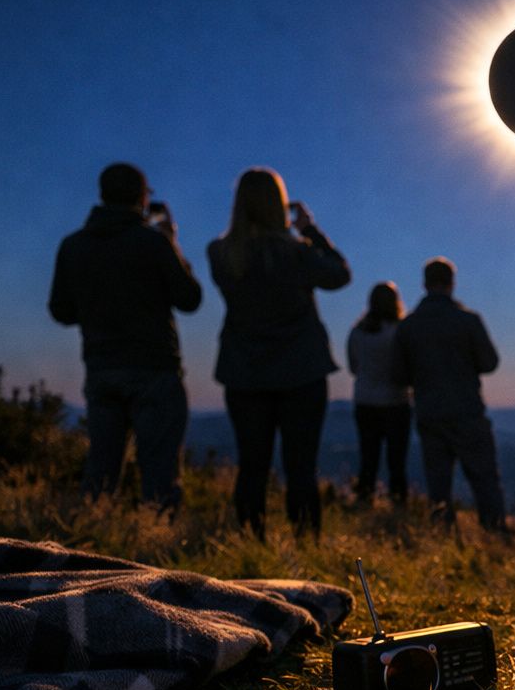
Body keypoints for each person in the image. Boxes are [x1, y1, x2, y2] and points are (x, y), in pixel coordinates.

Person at [49, 162, 201, 511]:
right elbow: (189, 298)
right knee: (160, 474)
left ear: (103, 196)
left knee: (101, 471)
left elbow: (61, 310)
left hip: (102, 368)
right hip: (154, 370)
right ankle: (159, 548)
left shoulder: (73, 246)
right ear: (141, 199)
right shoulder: (154, 243)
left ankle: (91, 541)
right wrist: (171, 242)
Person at [208, 167, 350, 539]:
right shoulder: (298, 253)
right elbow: (340, 275)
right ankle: (306, 545)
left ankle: (251, 542)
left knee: (252, 464)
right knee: (301, 466)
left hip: (244, 371)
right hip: (302, 371)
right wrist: (309, 230)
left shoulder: (220, 253)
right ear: (279, 205)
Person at [392, 257, 508, 533]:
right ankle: (494, 535)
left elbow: (398, 375)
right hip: (467, 410)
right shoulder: (468, 321)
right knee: (484, 479)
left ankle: (443, 537)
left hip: (429, 412)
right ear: (451, 283)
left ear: (424, 283)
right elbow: (489, 362)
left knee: (438, 484)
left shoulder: (408, 326)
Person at [346, 282, 411, 505]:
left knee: (368, 457)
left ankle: (365, 498)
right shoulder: (400, 331)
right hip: (396, 401)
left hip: (365, 401)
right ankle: (398, 502)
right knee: (397, 460)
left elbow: (354, 367)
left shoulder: (358, 332)